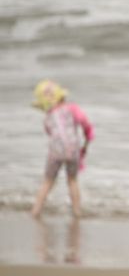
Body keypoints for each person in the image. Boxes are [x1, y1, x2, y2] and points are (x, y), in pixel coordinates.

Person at [30, 79, 94, 218]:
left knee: (48, 181)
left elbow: (49, 132)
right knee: (72, 180)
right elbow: (85, 122)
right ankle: (77, 211)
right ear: (62, 96)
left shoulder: (48, 117)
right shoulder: (72, 108)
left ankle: (36, 211)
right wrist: (88, 136)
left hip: (55, 151)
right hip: (73, 149)